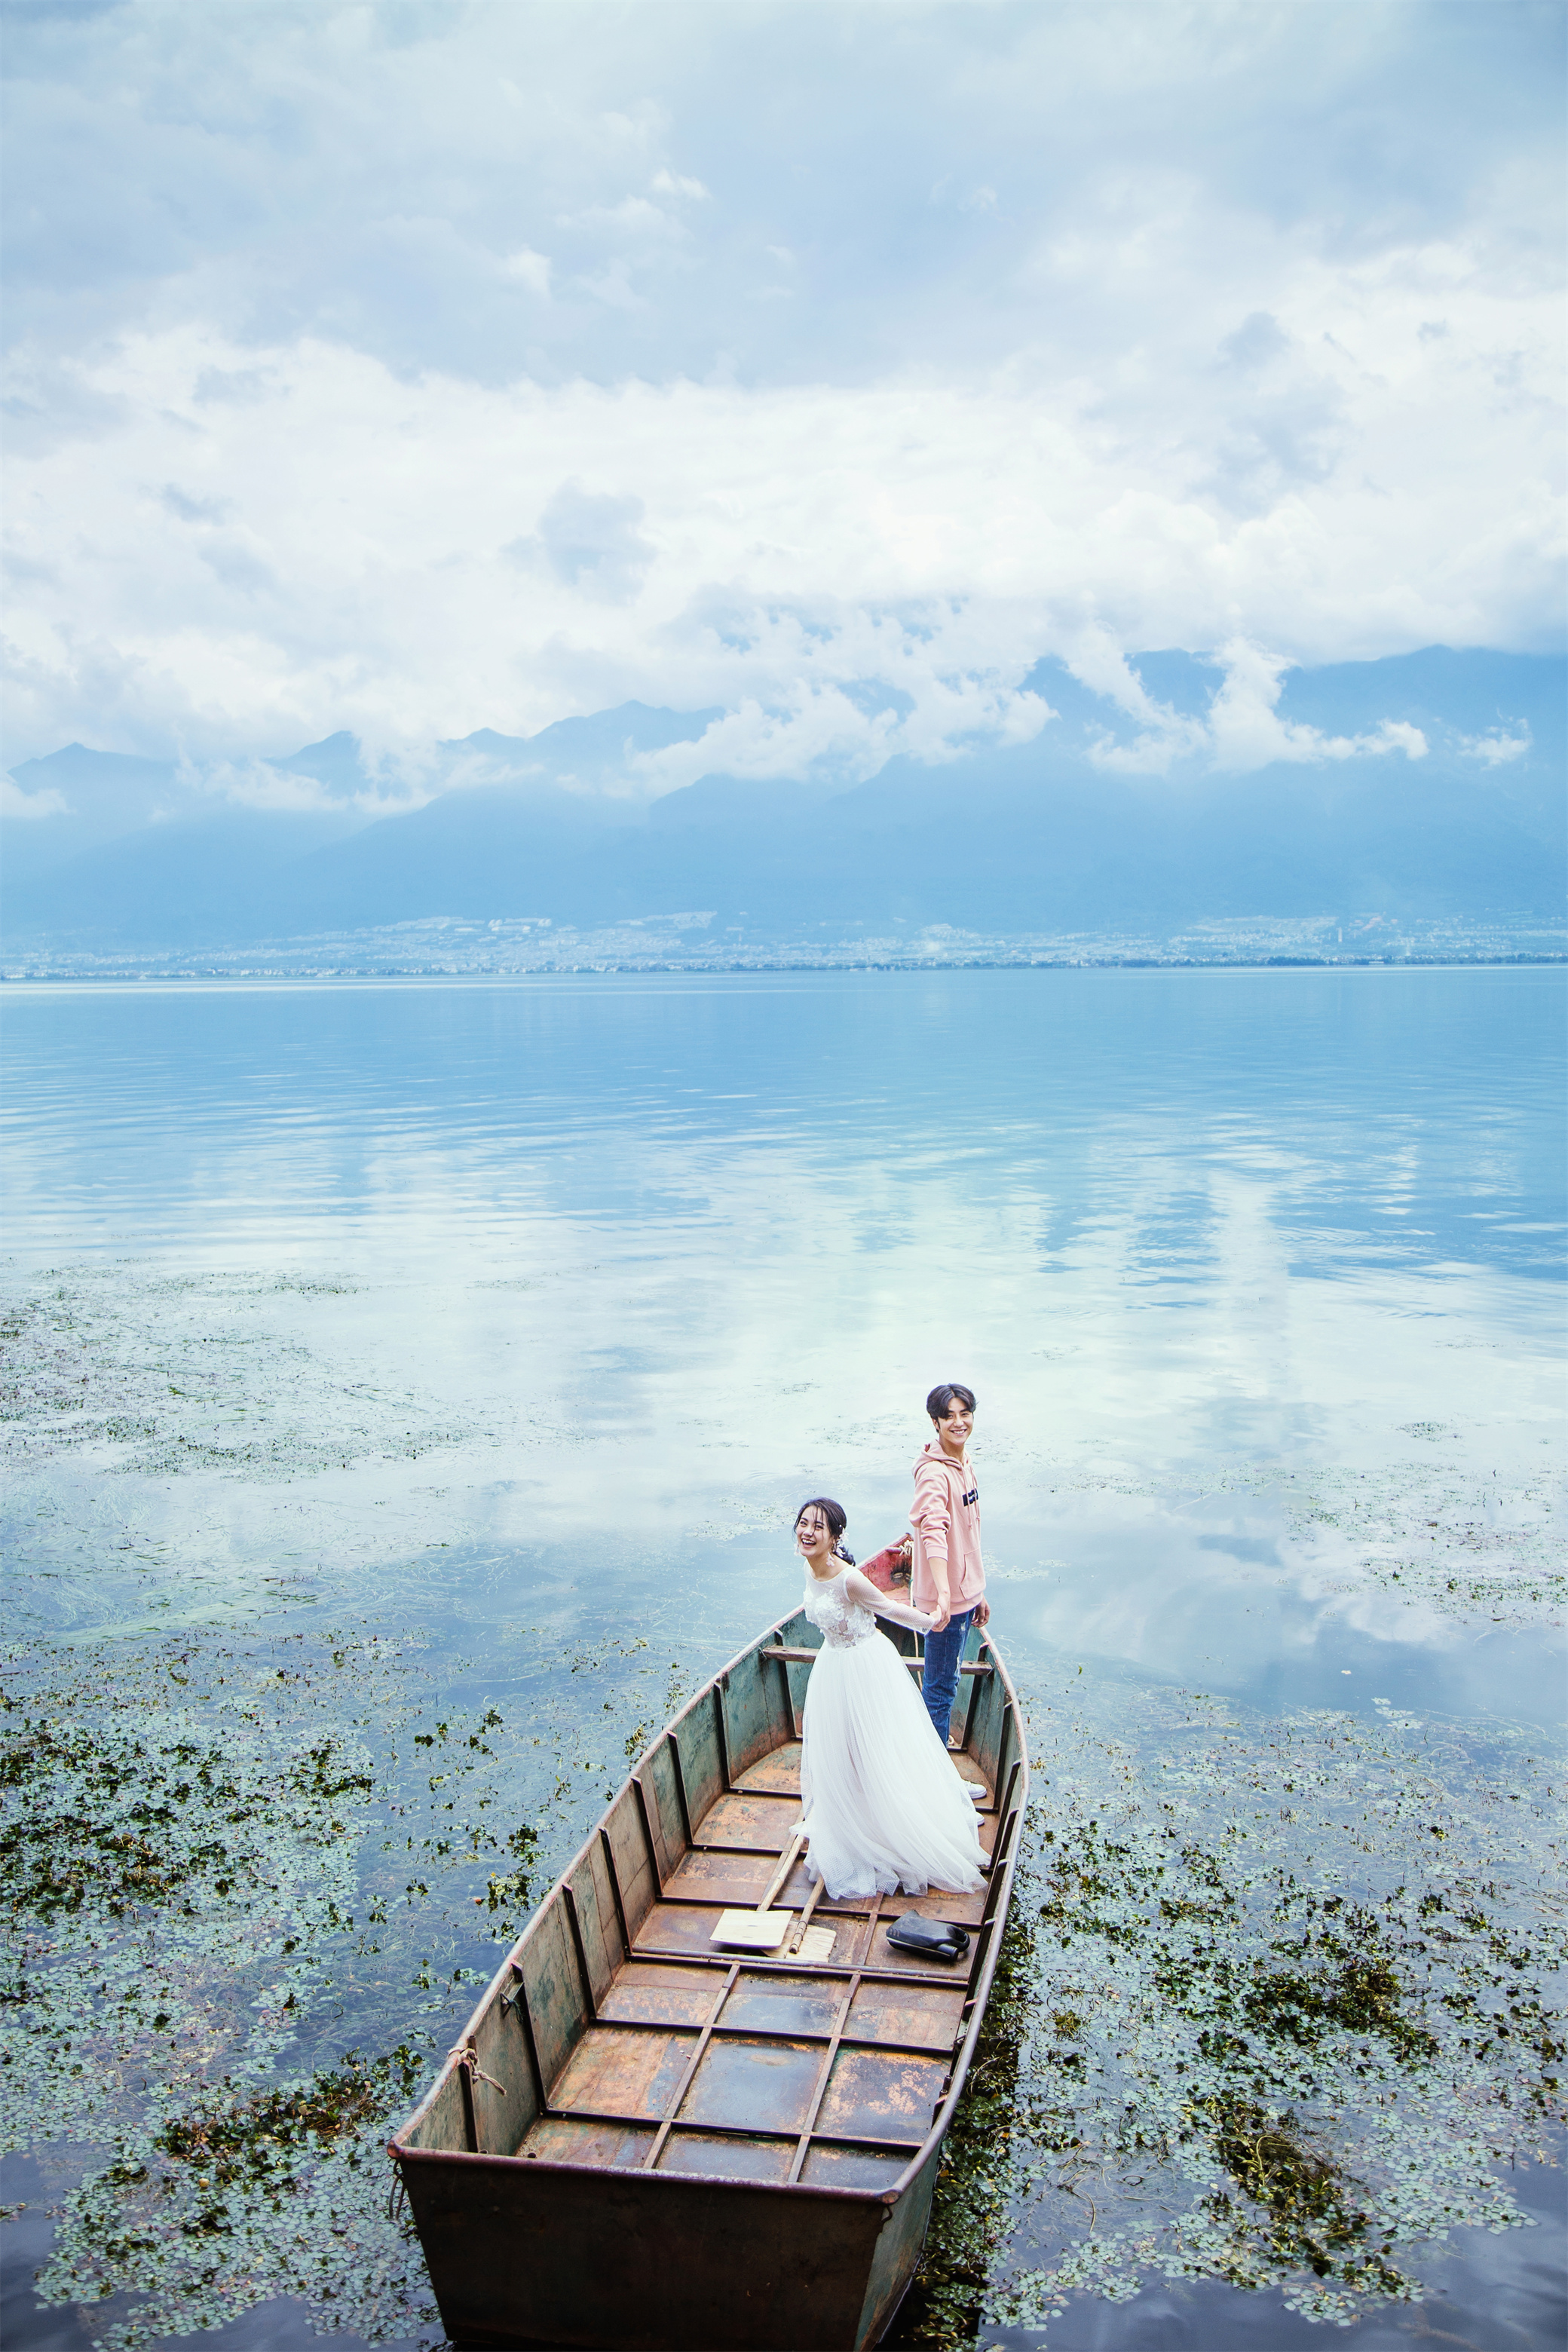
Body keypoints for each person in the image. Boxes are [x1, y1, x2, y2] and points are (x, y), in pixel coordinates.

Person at [793, 1497, 985, 1901]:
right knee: (838, 1754)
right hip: (833, 1667)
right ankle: (850, 1827)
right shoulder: (809, 1566)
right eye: (803, 1524)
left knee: (877, 1751)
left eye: (818, 1527)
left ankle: (894, 1829)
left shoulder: (849, 1579)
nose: (807, 1532)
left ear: (834, 1537)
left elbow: (890, 1610)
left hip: (866, 1666)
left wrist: (934, 1621)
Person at [909, 1383, 991, 1747]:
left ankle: (937, 1774)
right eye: (949, 1416)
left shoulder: (963, 1462)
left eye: (965, 1414)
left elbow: (968, 1534)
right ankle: (937, 1782)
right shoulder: (933, 1474)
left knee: (946, 1684)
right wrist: (945, 1593)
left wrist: (977, 1592)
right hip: (946, 1603)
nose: (959, 1423)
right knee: (940, 1691)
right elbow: (934, 1530)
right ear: (935, 1422)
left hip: (964, 1595)